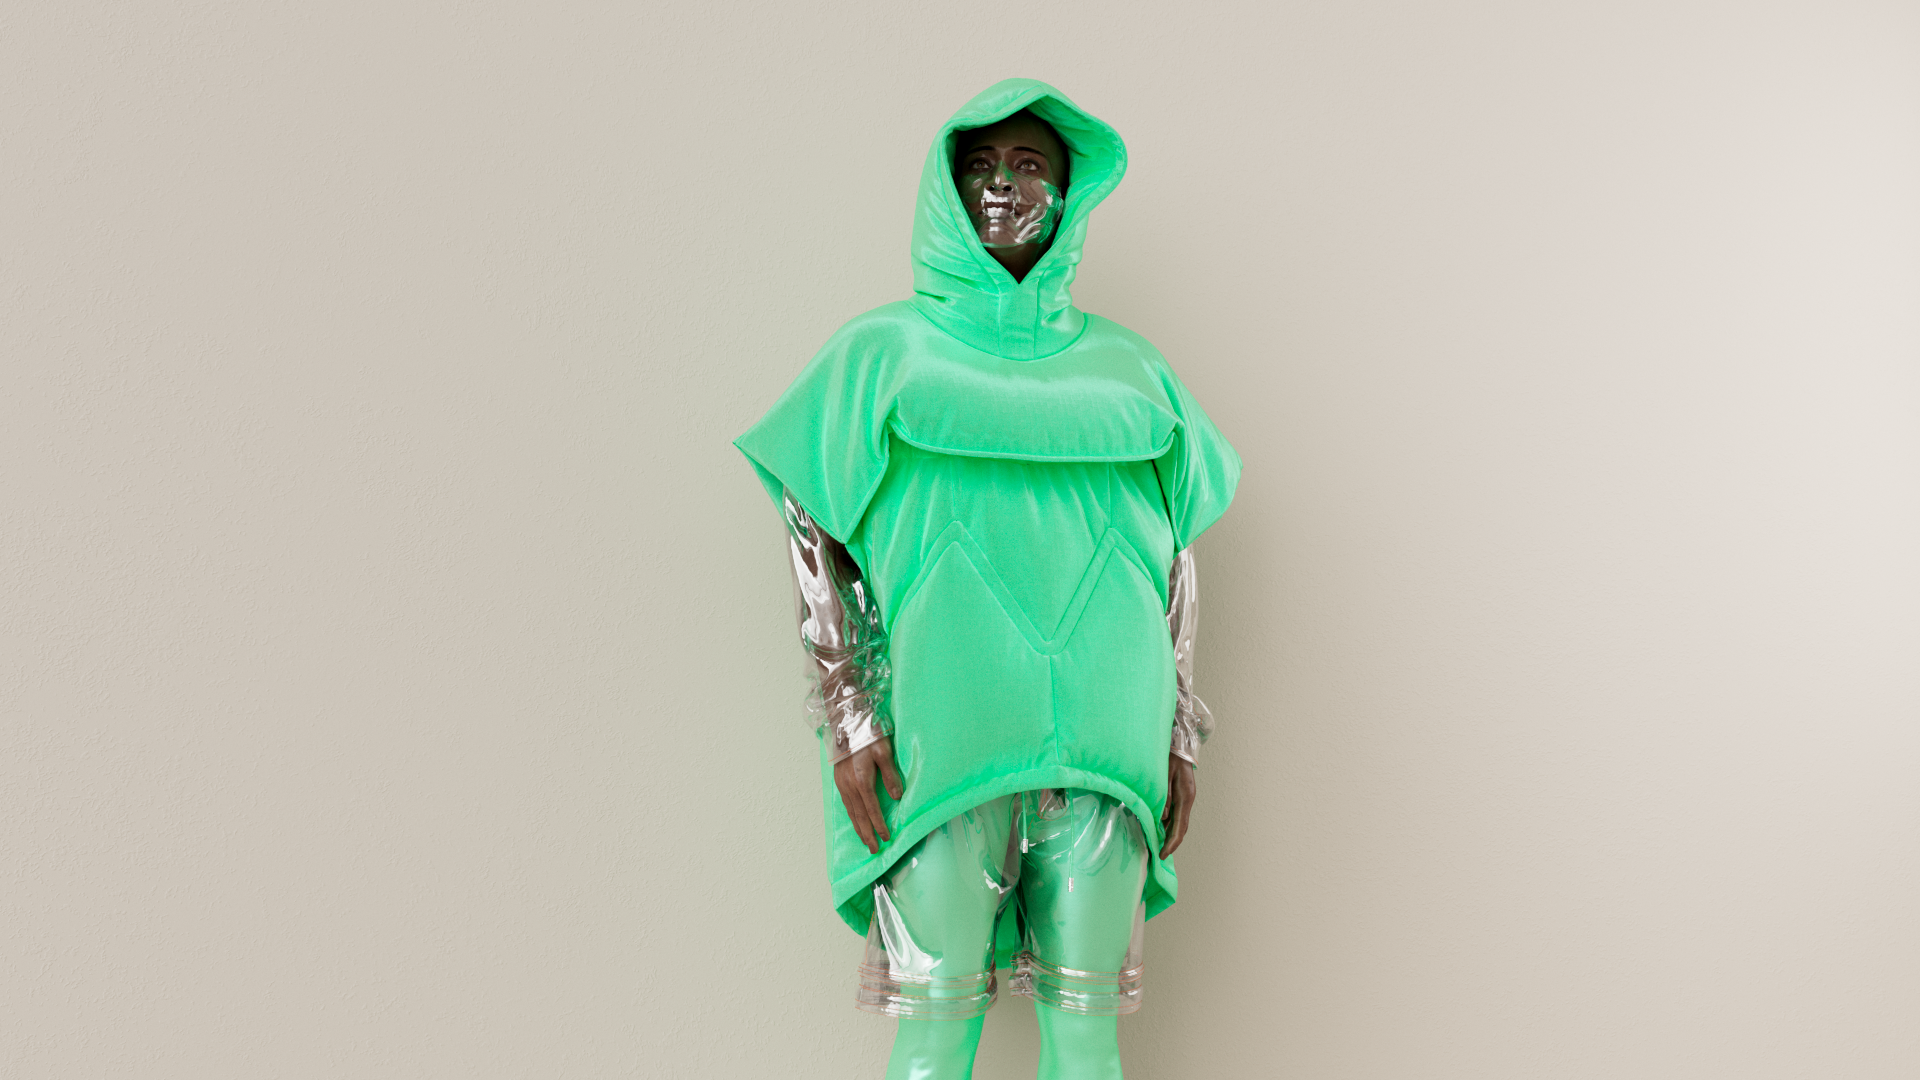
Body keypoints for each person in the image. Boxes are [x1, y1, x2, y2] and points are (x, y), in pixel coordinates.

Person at [736, 78, 1240, 1080]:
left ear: (1068, 192)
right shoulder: (881, 355)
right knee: (935, 1033)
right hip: (939, 739)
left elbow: (1178, 552)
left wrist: (1180, 724)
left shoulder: (1134, 373)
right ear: (946, 191)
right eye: (980, 166)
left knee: (1087, 1038)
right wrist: (849, 712)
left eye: (1030, 164)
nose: (1004, 184)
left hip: (1106, 737)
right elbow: (810, 518)